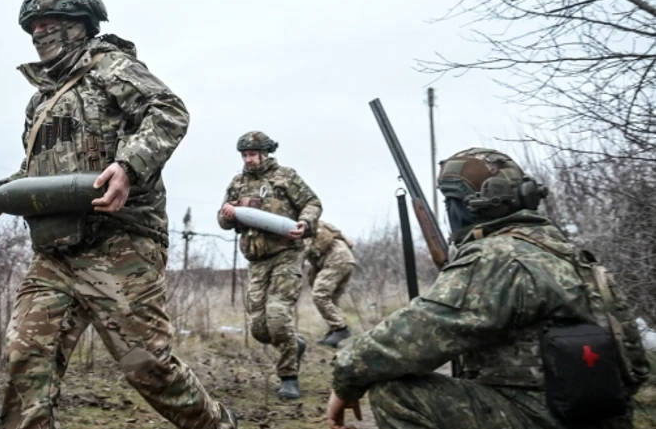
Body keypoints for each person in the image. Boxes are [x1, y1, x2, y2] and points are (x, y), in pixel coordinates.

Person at [0, 0, 237, 429]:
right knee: (25, 356)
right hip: (55, 254)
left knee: (149, 369)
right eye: (32, 27)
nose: (39, 33)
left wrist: (128, 167)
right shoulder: (39, 102)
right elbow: (39, 174)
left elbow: (168, 110)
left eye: (48, 24)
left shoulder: (109, 66)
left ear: (79, 25)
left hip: (120, 245)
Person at [327, 147, 651, 429]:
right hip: (602, 417)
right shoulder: (569, 254)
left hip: (547, 418)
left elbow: (410, 337)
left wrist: (345, 378)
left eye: (449, 201)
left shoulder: (498, 256)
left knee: (397, 394)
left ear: (467, 205)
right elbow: (636, 367)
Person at [217, 131, 323, 399]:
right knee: (260, 329)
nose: (248, 160)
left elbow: (312, 202)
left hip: (286, 255)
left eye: (252, 154)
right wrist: (227, 215)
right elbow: (224, 219)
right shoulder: (238, 183)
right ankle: (294, 344)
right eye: (245, 155)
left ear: (265, 153)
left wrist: (306, 222)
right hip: (256, 262)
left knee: (277, 315)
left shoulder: (285, 177)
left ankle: (288, 377)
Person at [303, 220, 356, 348]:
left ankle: (340, 329)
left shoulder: (301, 227)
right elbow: (349, 242)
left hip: (335, 260)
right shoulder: (319, 224)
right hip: (346, 259)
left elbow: (306, 250)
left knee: (320, 295)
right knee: (332, 299)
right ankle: (335, 335)